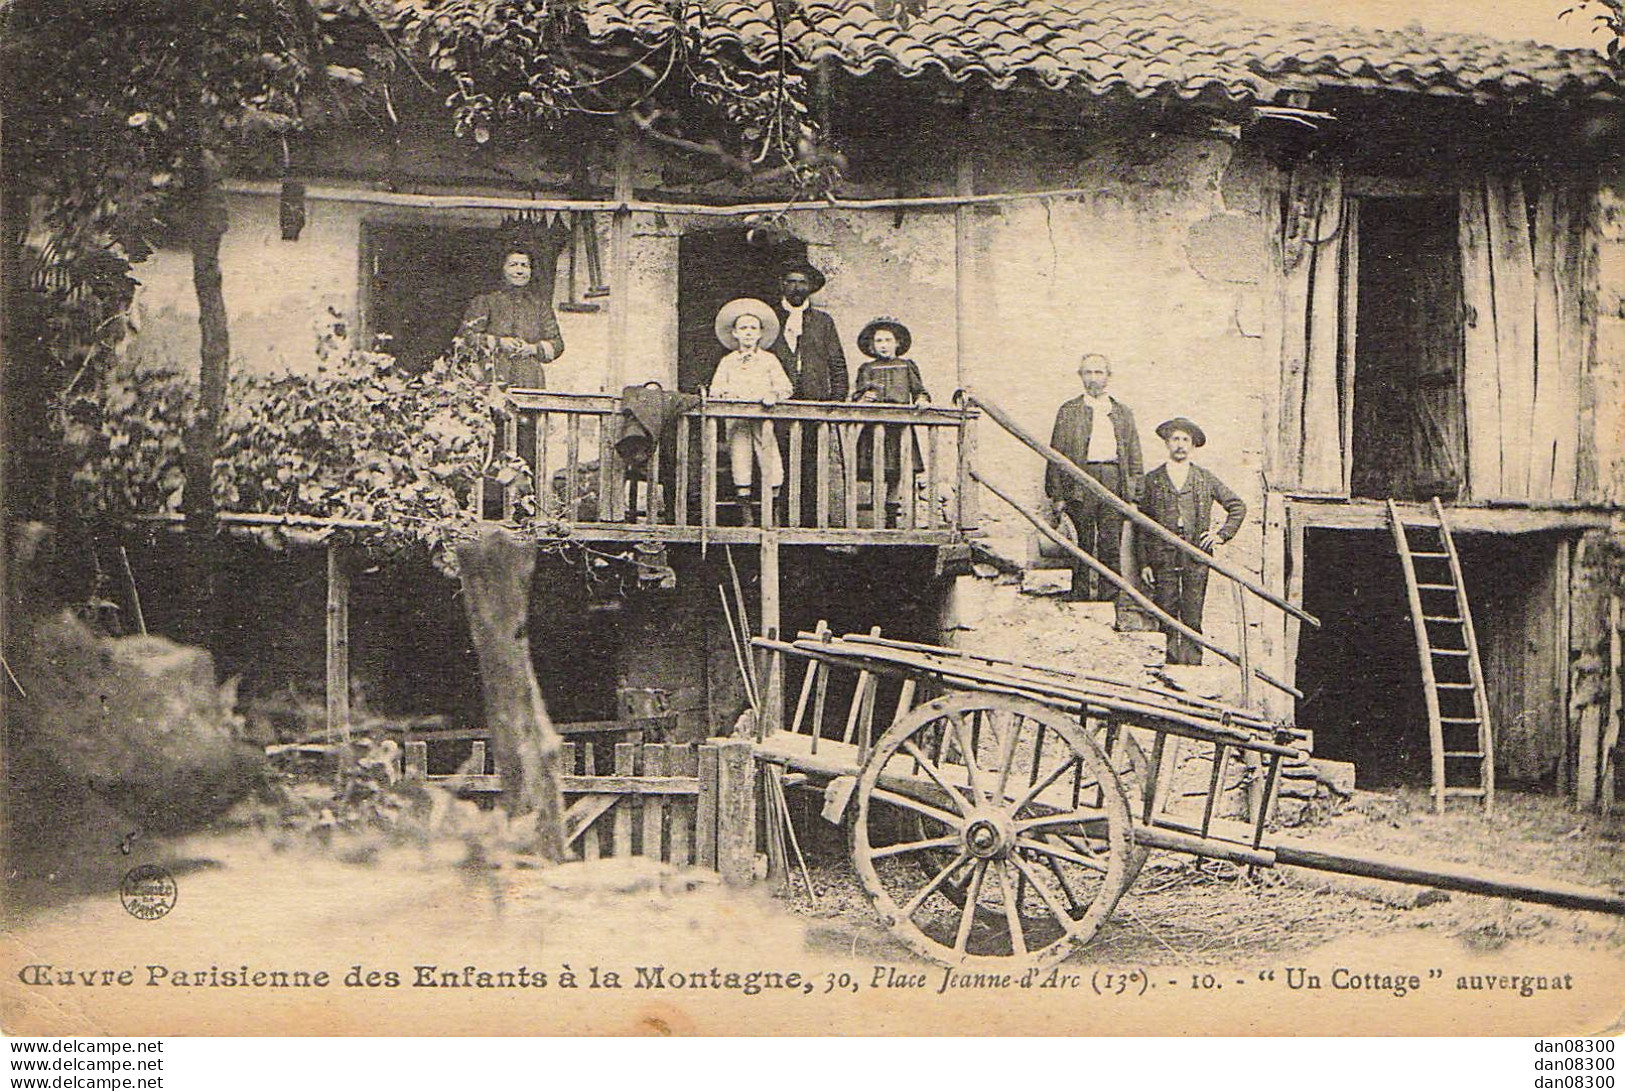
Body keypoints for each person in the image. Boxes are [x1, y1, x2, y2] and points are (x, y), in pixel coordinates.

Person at [1138, 417, 1247, 666]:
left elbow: (1237, 506)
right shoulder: (1153, 480)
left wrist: (1220, 535)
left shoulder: (1204, 478)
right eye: (1175, 439)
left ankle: (1192, 666)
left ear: (1193, 445)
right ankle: (1166, 665)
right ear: (1167, 443)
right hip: (1162, 555)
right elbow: (1141, 524)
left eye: (1185, 440)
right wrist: (1144, 562)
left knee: (1192, 611)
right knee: (1165, 609)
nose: (1180, 445)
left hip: (1195, 556)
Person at [1045, 353, 1143, 601]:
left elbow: (1134, 456)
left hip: (1113, 479)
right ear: (1080, 376)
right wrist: (1057, 495)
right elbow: (1055, 453)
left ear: (1109, 376)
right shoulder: (1069, 411)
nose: (1094, 378)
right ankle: (1080, 596)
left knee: (1111, 542)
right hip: (1080, 481)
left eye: (1099, 372)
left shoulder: (1122, 413)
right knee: (1082, 540)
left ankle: (1111, 599)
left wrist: (1134, 495)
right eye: (1088, 372)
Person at [770, 258, 847, 525]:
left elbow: (837, 363)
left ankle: (809, 522)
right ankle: (775, 521)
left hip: (815, 403)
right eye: (790, 281)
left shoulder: (823, 322)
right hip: (776, 404)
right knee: (776, 462)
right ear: (782, 285)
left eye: (802, 282)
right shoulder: (768, 318)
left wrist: (836, 401)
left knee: (811, 464)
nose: (796, 287)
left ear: (810, 287)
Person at [709, 298, 793, 527]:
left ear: (760, 334)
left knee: (771, 461)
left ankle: (772, 514)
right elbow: (716, 390)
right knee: (740, 460)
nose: (748, 333)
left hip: (763, 419)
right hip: (737, 421)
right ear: (734, 333)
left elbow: (785, 387)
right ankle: (746, 514)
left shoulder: (769, 360)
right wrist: (725, 396)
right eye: (743, 328)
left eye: (753, 328)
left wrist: (772, 396)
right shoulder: (727, 362)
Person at [851, 317, 929, 528]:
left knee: (898, 472)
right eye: (878, 341)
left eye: (887, 340)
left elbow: (919, 391)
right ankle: (877, 516)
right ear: (872, 345)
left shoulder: (906, 366)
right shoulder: (867, 368)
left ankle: (891, 516)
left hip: (900, 428)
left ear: (897, 343)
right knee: (878, 471)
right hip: (875, 428)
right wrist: (865, 398)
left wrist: (921, 400)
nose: (883, 345)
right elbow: (857, 395)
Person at [459, 247, 566, 388]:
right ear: (502, 269)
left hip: (529, 379)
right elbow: (465, 337)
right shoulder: (485, 302)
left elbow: (557, 344)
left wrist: (532, 348)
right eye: (513, 265)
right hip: (491, 378)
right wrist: (499, 343)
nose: (519, 271)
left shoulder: (540, 306)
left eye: (525, 266)